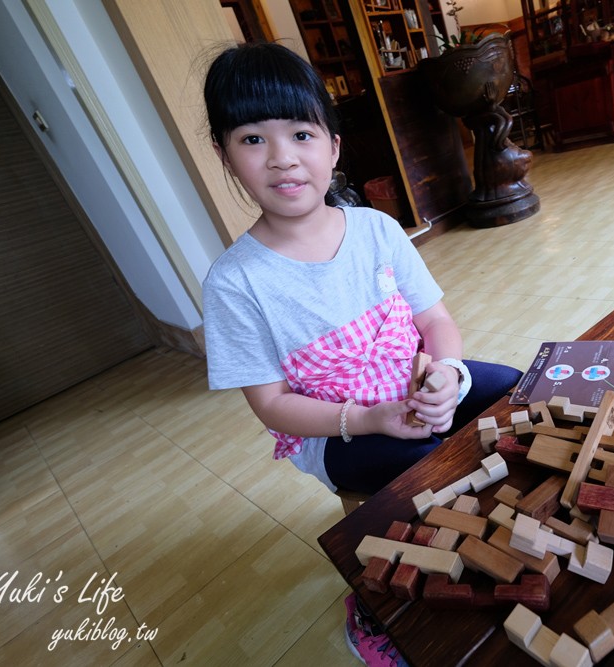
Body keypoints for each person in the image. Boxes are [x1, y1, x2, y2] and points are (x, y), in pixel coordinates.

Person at [200, 42, 522, 666]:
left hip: (412, 385)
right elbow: (272, 406)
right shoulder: (235, 283)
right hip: (338, 426)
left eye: (300, 133)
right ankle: (379, 602)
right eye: (252, 139)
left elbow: (435, 321)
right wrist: (370, 418)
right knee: (427, 466)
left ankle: (515, 511)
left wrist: (447, 372)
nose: (283, 158)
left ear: (334, 146)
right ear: (224, 155)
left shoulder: (374, 228)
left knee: (513, 385)